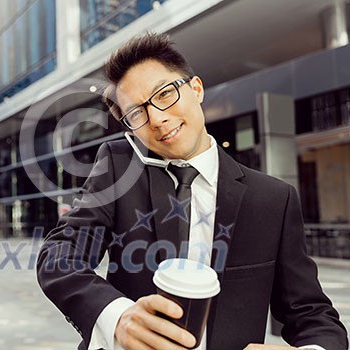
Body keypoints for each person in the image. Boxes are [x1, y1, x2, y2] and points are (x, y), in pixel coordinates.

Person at [36, 32, 348, 350]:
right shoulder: (118, 168)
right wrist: (118, 318)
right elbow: (60, 257)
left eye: (164, 94)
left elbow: (313, 317)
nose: (156, 119)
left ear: (196, 89)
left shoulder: (272, 198)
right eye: (136, 113)